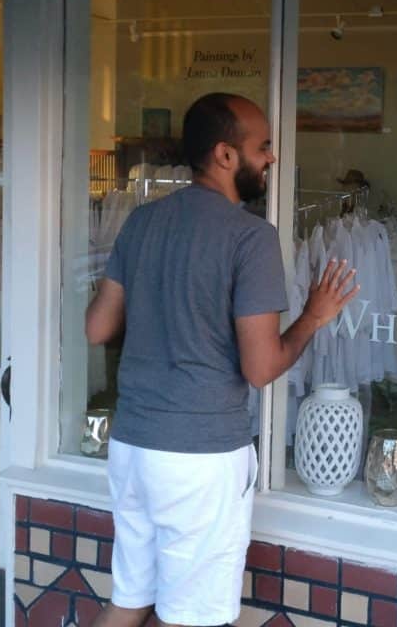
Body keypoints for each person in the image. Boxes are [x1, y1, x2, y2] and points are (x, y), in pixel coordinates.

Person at [85, 93, 359, 627]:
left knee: (129, 599)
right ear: (225, 155)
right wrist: (312, 317)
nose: (272, 158)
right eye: (263, 147)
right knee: (189, 617)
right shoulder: (250, 239)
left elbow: (98, 328)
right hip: (199, 459)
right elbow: (260, 368)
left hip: (133, 447)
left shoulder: (141, 223)